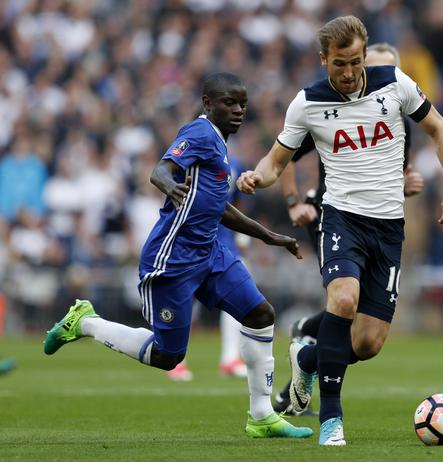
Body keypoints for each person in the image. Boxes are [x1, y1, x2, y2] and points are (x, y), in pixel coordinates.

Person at [43, 73, 313, 439]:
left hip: (211, 253)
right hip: (173, 257)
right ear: (207, 104)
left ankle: (262, 415)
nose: (237, 110)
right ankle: (86, 322)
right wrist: (169, 184)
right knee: (169, 356)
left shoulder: (219, 144)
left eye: (242, 104)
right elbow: (162, 169)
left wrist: (269, 236)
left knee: (261, 314)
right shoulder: (200, 134)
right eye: (228, 103)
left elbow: (220, 207)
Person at [237, 16, 443, 446]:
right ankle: (332, 420)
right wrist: (256, 176)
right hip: (340, 218)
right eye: (340, 63)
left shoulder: (394, 83)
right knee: (343, 299)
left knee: (367, 342)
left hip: (389, 227)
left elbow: (440, 129)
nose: (349, 71)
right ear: (324, 59)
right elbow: (276, 162)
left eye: (356, 62)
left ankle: (307, 356)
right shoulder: (308, 103)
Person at [272, 41, 424, 416]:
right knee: (345, 302)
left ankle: (306, 347)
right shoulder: (328, 107)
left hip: (382, 222)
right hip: (335, 214)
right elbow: (284, 153)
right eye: (369, 65)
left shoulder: (401, 115)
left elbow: (389, 173)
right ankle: (327, 409)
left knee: (364, 331)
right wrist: (295, 202)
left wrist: (402, 184)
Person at [166, 155, 250, 381]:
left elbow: (238, 202)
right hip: (193, 240)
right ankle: (175, 359)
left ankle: (230, 358)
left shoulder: (235, 163)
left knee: (236, 297)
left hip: (225, 241)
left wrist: (242, 236)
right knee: (186, 297)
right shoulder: (187, 160)